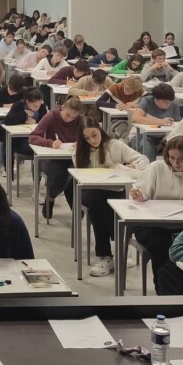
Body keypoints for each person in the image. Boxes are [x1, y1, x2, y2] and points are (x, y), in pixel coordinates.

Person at [129, 136, 183, 295]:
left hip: (181, 224)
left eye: (182, 159)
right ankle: (165, 293)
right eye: (172, 158)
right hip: (152, 225)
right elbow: (142, 191)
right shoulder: (157, 167)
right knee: (163, 246)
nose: (176, 163)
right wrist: (139, 195)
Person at [72, 117, 149, 277]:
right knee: (97, 199)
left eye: (94, 135)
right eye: (86, 138)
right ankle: (119, 246)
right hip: (90, 191)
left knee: (101, 204)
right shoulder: (79, 151)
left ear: (100, 130)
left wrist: (125, 167)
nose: (92, 140)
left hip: (116, 190)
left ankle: (106, 255)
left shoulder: (115, 145)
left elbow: (143, 160)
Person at [30, 96, 84, 219]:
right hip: (51, 158)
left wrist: (82, 142)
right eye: (67, 115)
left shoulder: (81, 120)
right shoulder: (51, 116)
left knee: (76, 174)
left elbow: (91, 136)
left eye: (73, 117)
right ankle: (51, 198)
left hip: (72, 157)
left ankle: (75, 206)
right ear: (62, 108)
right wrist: (50, 142)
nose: (70, 119)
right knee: (63, 175)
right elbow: (33, 137)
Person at [130, 83, 180, 158]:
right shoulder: (146, 101)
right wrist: (161, 122)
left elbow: (177, 124)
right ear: (156, 99)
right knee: (147, 146)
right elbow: (135, 118)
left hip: (164, 137)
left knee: (179, 146)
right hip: (142, 135)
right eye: (165, 102)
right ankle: (149, 168)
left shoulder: (174, 103)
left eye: (170, 102)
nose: (169, 104)